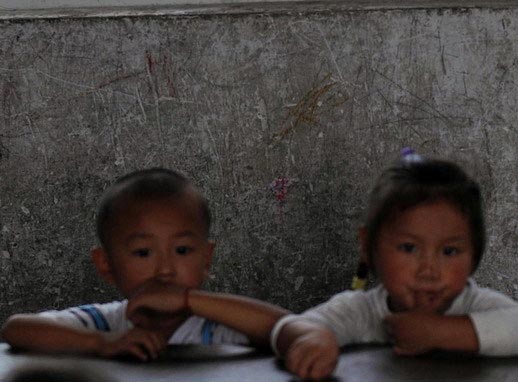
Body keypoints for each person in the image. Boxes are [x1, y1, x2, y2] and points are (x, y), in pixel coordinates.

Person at [271, 156, 518, 380]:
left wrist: (439, 332)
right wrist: (313, 338)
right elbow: (297, 325)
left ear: (475, 255)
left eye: (449, 251)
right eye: (409, 248)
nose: (429, 271)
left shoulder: (478, 306)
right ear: (368, 246)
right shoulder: (361, 311)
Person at [2, 168, 287, 359]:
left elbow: (286, 327)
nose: (165, 269)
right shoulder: (108, 324)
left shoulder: (217, 328)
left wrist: (189, 300)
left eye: (183, 250)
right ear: (106, 265)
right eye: (142, 253)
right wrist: (104, 344)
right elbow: (17, 329)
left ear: (207, 258)